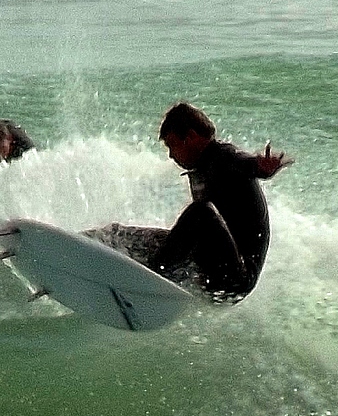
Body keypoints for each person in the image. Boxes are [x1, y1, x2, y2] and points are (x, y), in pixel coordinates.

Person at [92, 102, 292, 303]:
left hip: (234, 279)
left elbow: (245, 164)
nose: (171, 155)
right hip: (210, 265)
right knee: (122, 235)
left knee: (201, 213)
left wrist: (263, 169)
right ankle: (87, 244)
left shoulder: (223, 157)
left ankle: (150, 278)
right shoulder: (203, 165)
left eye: (172, 145)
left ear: (191, 137)